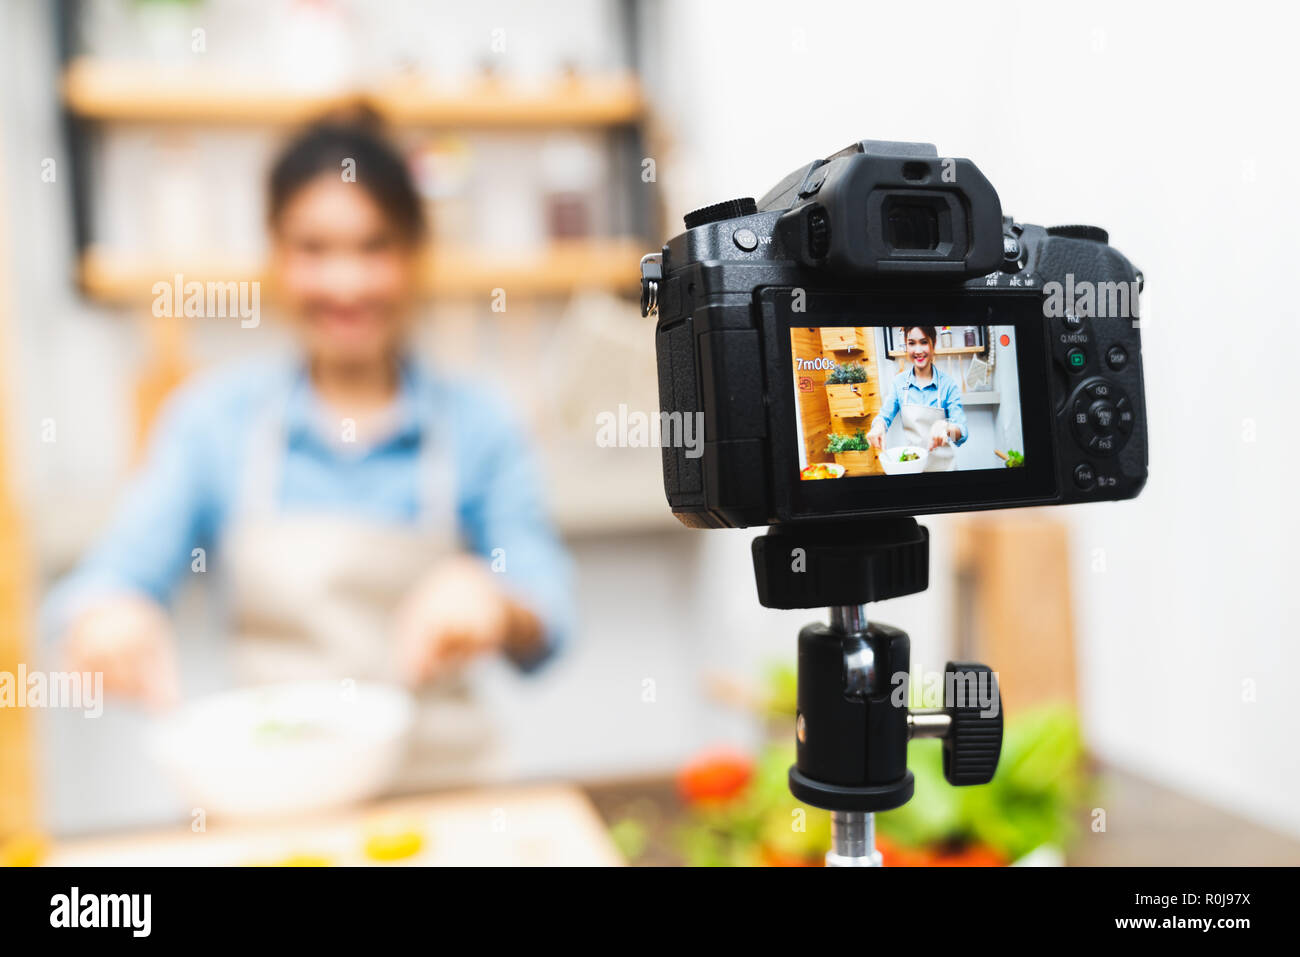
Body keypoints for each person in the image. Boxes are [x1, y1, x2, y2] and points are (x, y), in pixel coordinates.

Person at [44, 117, 572, 785]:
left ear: (414, 253)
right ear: (275, 255)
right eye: (314, 249)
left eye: (374, 246)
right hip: (270, 804)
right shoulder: (214, 419)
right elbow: (116, 573)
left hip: (450, 800)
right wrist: (107, 613)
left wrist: (499, 603)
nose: (345, 283)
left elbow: (548, 611)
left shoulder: (481, 422)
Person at [867, 325, 967, 472]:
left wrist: (947, 429)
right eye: (912, 343)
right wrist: (878, 427)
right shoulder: (899, 383)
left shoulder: (948, 385)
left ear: (934, 343)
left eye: (924, 342)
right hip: (913, 467)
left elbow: (961, 434)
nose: (918, 350)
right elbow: (884, 416)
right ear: (906, 346)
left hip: (946, 470)